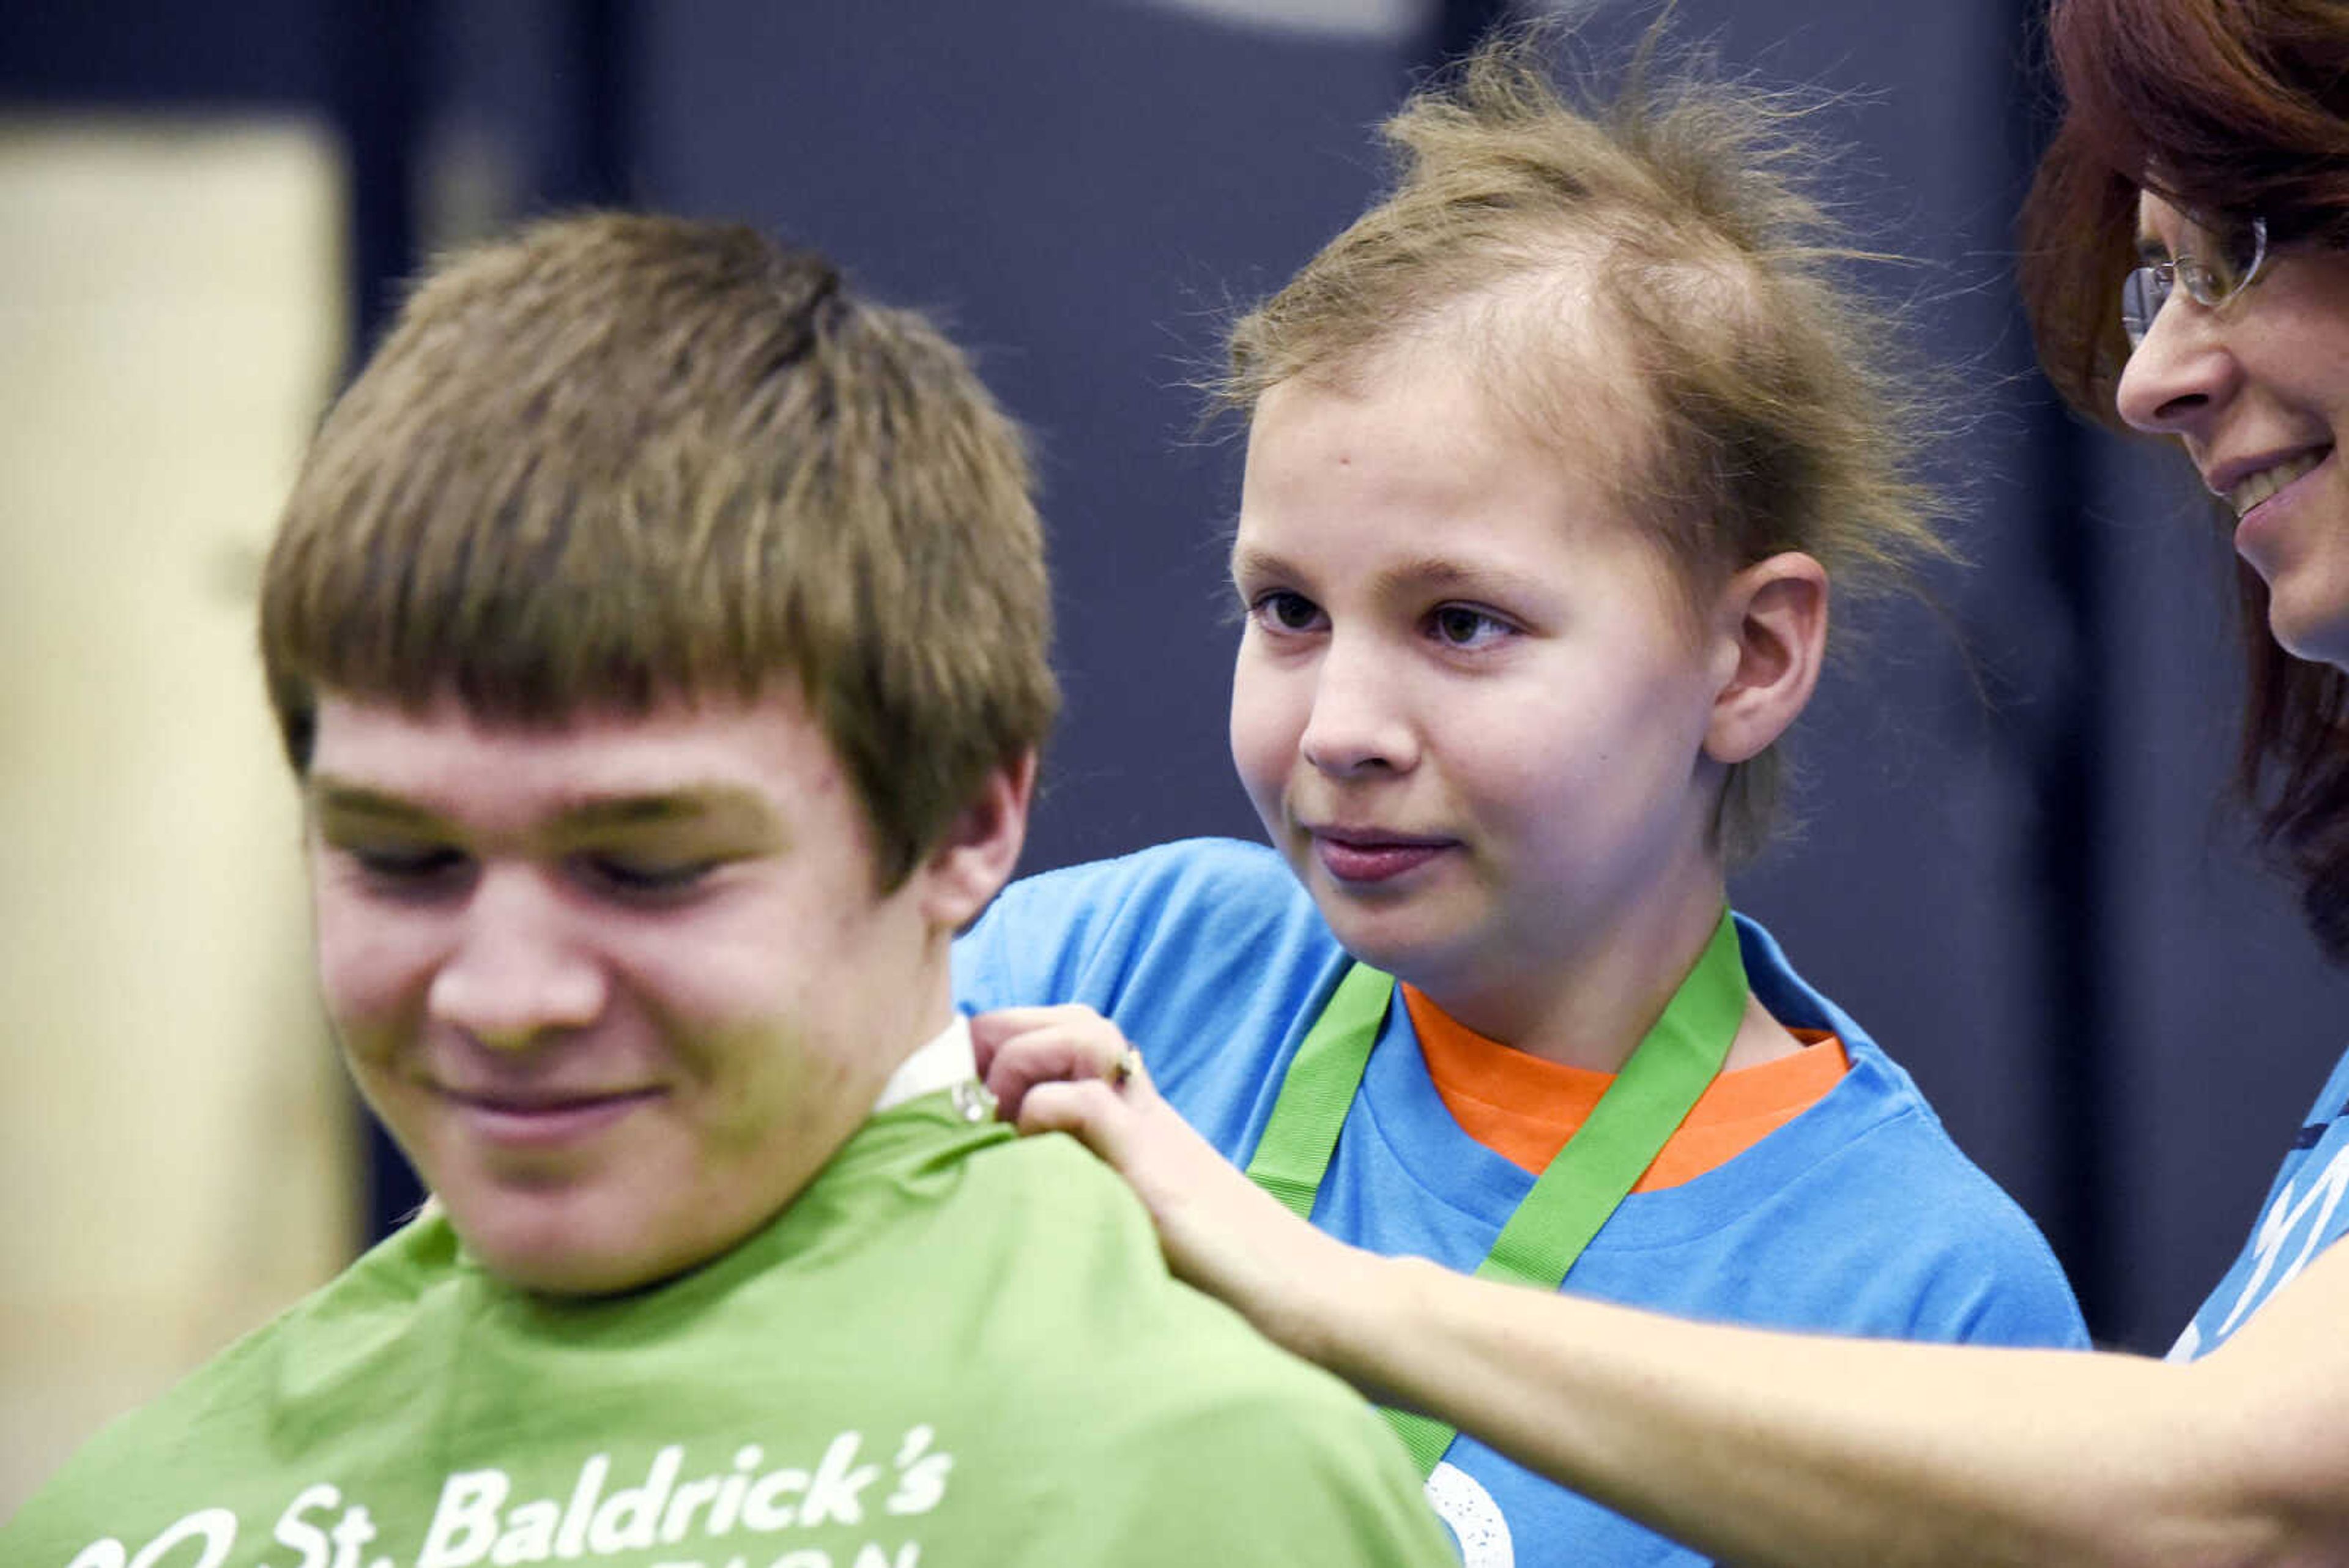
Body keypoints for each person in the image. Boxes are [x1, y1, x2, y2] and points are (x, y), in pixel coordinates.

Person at [977, 1, 2349, 1563]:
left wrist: (1311, 1287)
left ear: (1751, 658)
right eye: (1285, 609)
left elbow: (2239, 1498)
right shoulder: (1110, 968)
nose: (1342, 723)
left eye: (1463, 623)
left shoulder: (1923, 1285)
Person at [0, 212, 1455, 1568]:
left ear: (966, 820)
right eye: (402, 859)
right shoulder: (127, 1524)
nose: (505, 997)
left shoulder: (1202, 1484)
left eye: (644, 868)